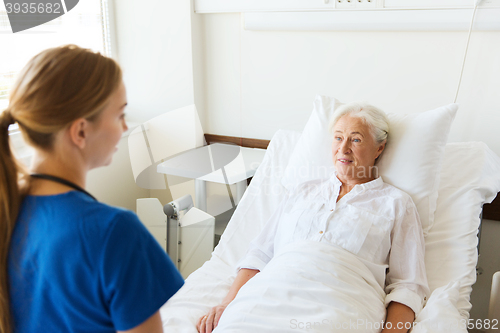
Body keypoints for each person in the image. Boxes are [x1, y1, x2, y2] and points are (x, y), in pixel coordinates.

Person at [197, 102, 429, 333]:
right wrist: (227, 303)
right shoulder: (302, 191)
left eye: (356, 139)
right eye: (338, 138)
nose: (344, 148)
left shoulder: (396, 203)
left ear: (379, 148)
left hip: (343, 306)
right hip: (268, 295)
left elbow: (407, 287)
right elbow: (260, 254)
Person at [0, 45, 184, 333]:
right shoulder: (115, 232)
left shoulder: (8, 211)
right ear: (81, 131)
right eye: (120, 115)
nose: (124, 128)